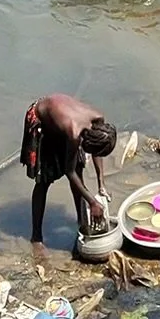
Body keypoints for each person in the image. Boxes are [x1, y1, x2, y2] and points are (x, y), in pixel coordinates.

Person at [21, 95, 116, 244]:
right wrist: (92, 202)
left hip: (60, 119)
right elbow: (68, 171)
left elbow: (96, 152)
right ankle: (36, 237)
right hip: (42, 119)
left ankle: (81, 222)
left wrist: (101, 185)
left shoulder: (98, 119)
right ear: (88, 141)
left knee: (79, 169)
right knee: (44, 180)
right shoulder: (74, 133)